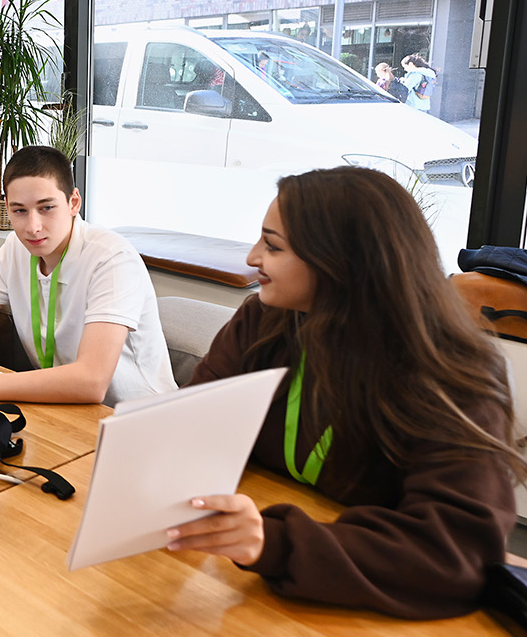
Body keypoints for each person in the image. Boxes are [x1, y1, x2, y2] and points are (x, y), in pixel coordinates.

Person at [167, 166, 523, 620]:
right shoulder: (262, 322)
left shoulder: (449, 372)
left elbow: (454, 550)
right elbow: (192, 429)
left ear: (340, 264)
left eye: (273, 246)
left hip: (373, 610)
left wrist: (274, 542)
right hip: (257, 592)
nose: (254, 257)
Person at [0, 146, 173, 404]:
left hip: (138, 419)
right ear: (6, 207)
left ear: (73, 202)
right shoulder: (15, 249)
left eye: (46, 208)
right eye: (20, 210)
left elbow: (91, 381)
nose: (33, 227)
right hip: (62, 406)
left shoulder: (112, 258)